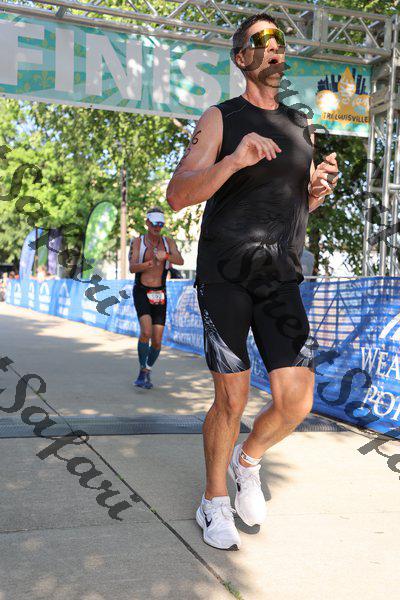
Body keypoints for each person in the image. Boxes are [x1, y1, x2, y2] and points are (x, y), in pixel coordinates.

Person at [166, 13, 339, 550]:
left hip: (281, 277)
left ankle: (248, 460)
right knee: (232, 398)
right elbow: (178, 194)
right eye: (261, 40)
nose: (274, 47)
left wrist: (313, 194)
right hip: (226, 274)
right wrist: (235, 160)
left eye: (279, 39)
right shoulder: (222, 118)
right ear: (242, 58)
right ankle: (213, 500)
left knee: (297, 400)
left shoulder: (301, 127)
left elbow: (292, 207)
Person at [129, 206, 184, 389]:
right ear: (147, 223)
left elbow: (180, 260)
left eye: (160, 224)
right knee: (146, 332)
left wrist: (165, 255)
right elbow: (132, 267)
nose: (157, 228)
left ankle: (147, 370)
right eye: (154, 224)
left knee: (158, 340)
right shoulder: (138, 242)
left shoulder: (168, 242)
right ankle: (141, 370)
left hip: (160, 293)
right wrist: (147, 264)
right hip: (142, 291)